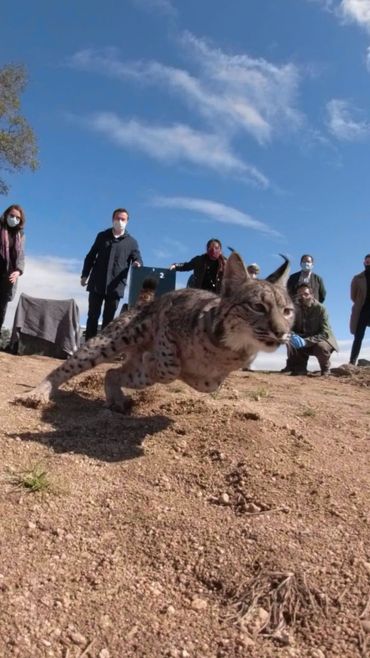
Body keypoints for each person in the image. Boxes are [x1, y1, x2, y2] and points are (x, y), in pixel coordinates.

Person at [81, 208, 143, 339]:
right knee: (92, 316)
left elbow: (137, 257)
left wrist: (137, 263)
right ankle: (88, 348)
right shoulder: (102, 236)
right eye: (117, 218)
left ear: (127, 222)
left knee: (109, 321)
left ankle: (102, 349)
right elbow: (90, 256)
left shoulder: (132, 242)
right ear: (112, 219)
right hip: (97, 283)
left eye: (123, 219)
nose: (119, 221)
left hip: (115, 287)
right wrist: (84, 275)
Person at [286, 283, 338, 376]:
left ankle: (325, 369)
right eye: (300, 295)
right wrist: (292, 335)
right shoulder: (295, 309)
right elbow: (290, 327)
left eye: (306, 294)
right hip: (305, 338)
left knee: (320, 347)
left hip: (323, 340)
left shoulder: (320, 309)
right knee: (292, 342)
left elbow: (325, 333)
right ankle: (300, 368)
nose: (303, 297)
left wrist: (306, 341)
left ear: (312, 295)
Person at [0, 204, 26, 335]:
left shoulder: (20, 235)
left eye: (17, 218)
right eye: (12, 216)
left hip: (9, 276)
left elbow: (21, 256)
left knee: (1, 308)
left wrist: (18, 271)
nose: (14, 219)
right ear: (6, 215)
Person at [349, 254, 370, 365]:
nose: (368, 263)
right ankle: (352, 361)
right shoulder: (357, 278)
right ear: (364, 263)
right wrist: (360, 303)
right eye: (367, 262)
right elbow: (353, 296)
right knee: (358, 337)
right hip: (362, 310)